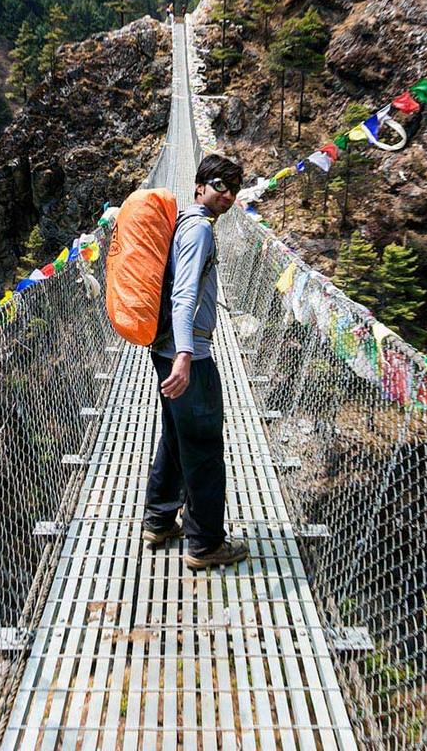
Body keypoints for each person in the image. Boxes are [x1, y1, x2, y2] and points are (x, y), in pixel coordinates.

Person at [142, 153, 249, 570]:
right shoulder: (199, 230)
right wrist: (186, 357)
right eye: (220, 185)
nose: (228, 195)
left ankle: (160, 519)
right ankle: (205, 544)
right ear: (200, 186)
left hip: (165, 347)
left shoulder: (184, 223)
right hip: (187, 354)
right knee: (204, 445)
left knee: (176, 432)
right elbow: (184, 295)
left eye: (234, 189)